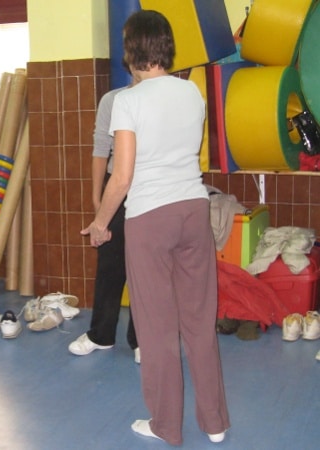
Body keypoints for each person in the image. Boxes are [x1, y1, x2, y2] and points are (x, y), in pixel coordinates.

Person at [81, 10, 230, 446]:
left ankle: (166, 425)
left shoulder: (128, 101)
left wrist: (100, 223)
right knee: (199, 321)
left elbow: (122, 176)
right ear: (166, 47)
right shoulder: (192, 92)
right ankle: (215, 422)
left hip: (150, 217)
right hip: (194, 211)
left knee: (157, 328)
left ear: (130, 51)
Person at [68, 81, 139, 362]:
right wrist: (98, 200)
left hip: (150, 185)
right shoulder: (113, 99)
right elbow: (101, 150)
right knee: (110, 262)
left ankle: (142, 341)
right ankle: (101, 335)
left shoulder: (165, 96)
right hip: (116, 185)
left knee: (146, 266)